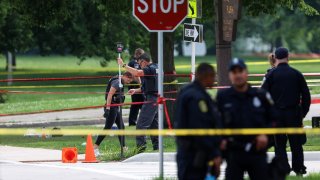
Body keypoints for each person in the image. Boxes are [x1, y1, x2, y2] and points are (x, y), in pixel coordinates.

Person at [217, 58, 276, 180]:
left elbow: (274, 120)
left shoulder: (261, 95)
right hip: (233, 153)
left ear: (246, 73)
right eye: (234, 72)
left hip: (257, 152)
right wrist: (220, 141)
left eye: (240, 71)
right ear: (230, 75)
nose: (238, 75)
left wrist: (265, 135)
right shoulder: (223, 97)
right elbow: (215, 123)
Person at [262, 47, 311, 176]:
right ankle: (299, 169)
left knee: (279, 145)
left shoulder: (270, 75)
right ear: (288, 57)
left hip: (277, 115)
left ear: (275, 58)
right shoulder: (296, 74)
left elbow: (262, 95)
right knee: (296, 144)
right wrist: (302, 113)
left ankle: (284, 169)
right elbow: (306, 96)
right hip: (294, 114)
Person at [175, 63, 223, 180]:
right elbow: (201, 128)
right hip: (194, 156)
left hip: (189, 153)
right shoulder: (197, 97)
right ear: (206, 76)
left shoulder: (187, 91)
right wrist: (214, 154)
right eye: (213, 76)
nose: (215, 79)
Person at [117, 53, 159, 152]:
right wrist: (136, 90)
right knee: (154, 125)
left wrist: (123, 65)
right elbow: (150, 87)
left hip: (151, 100)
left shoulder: (150, 68)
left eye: (140, 63)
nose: (140, 66)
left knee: (141, 125)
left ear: (144, 61)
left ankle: (141, 150)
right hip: (155, 98)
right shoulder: (157, 67)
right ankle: (157, 148)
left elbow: (137, 73)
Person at [94, 72, 133, 156]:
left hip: (114, 107)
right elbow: (109, 95)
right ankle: (95, 147)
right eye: (128, 80)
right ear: (125, 76)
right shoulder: (117, 82)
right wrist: (107, 109)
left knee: (121, 126)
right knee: (107, 127)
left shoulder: (120, 80)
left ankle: (123, 147)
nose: (128, 82)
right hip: (111, 107)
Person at [127, 48, 145, 126]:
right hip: (136, 85)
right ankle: (136, 121)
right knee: (140, 103)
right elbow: (136, 75)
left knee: (136, 104)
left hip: (135, 86)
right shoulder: (135, 63)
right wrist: (141, 84)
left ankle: (133, 121)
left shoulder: (132, 62)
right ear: (138, 54)